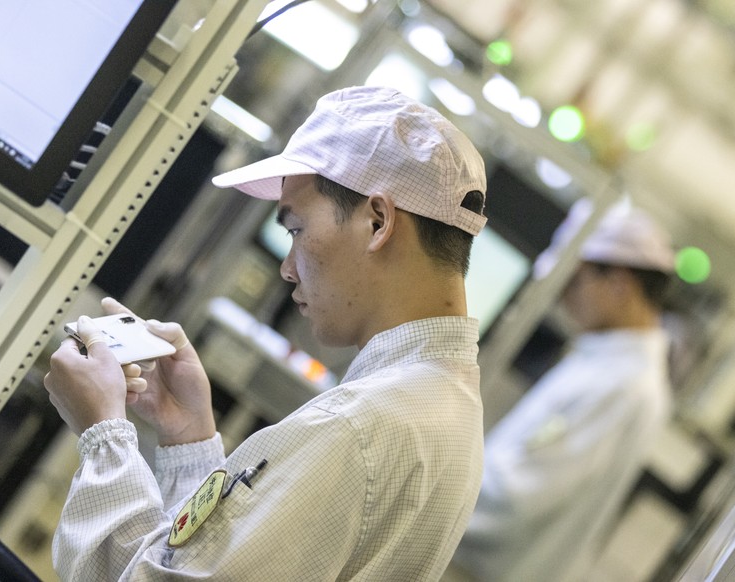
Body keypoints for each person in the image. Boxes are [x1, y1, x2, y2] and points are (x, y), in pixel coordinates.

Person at [44, 85, 488, 581]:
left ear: (378, 221)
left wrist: (103, 434)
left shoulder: (355, 426)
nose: (288, 268)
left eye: (296, 229)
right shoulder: (447, 406)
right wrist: (188, 439)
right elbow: (201, 567)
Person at [446, 199, 676, 582]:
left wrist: (423, 482)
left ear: (619, 284)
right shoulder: (608, 363)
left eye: (574, 280)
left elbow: (515, 497)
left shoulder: (623, 384)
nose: (562, 296)